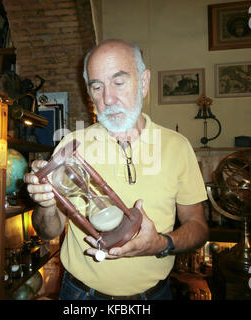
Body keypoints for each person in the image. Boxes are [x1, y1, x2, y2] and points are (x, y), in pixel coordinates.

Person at [24, 39, 209, 300]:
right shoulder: (71, 145)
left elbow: (198, 226)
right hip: (81, 295)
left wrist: (162, 244)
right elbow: (48, 231)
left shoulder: (177, 146)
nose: (108, 98)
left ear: (144, 83)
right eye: (97, 87)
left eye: (118, 83)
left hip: (154, 295)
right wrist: (45, 205)